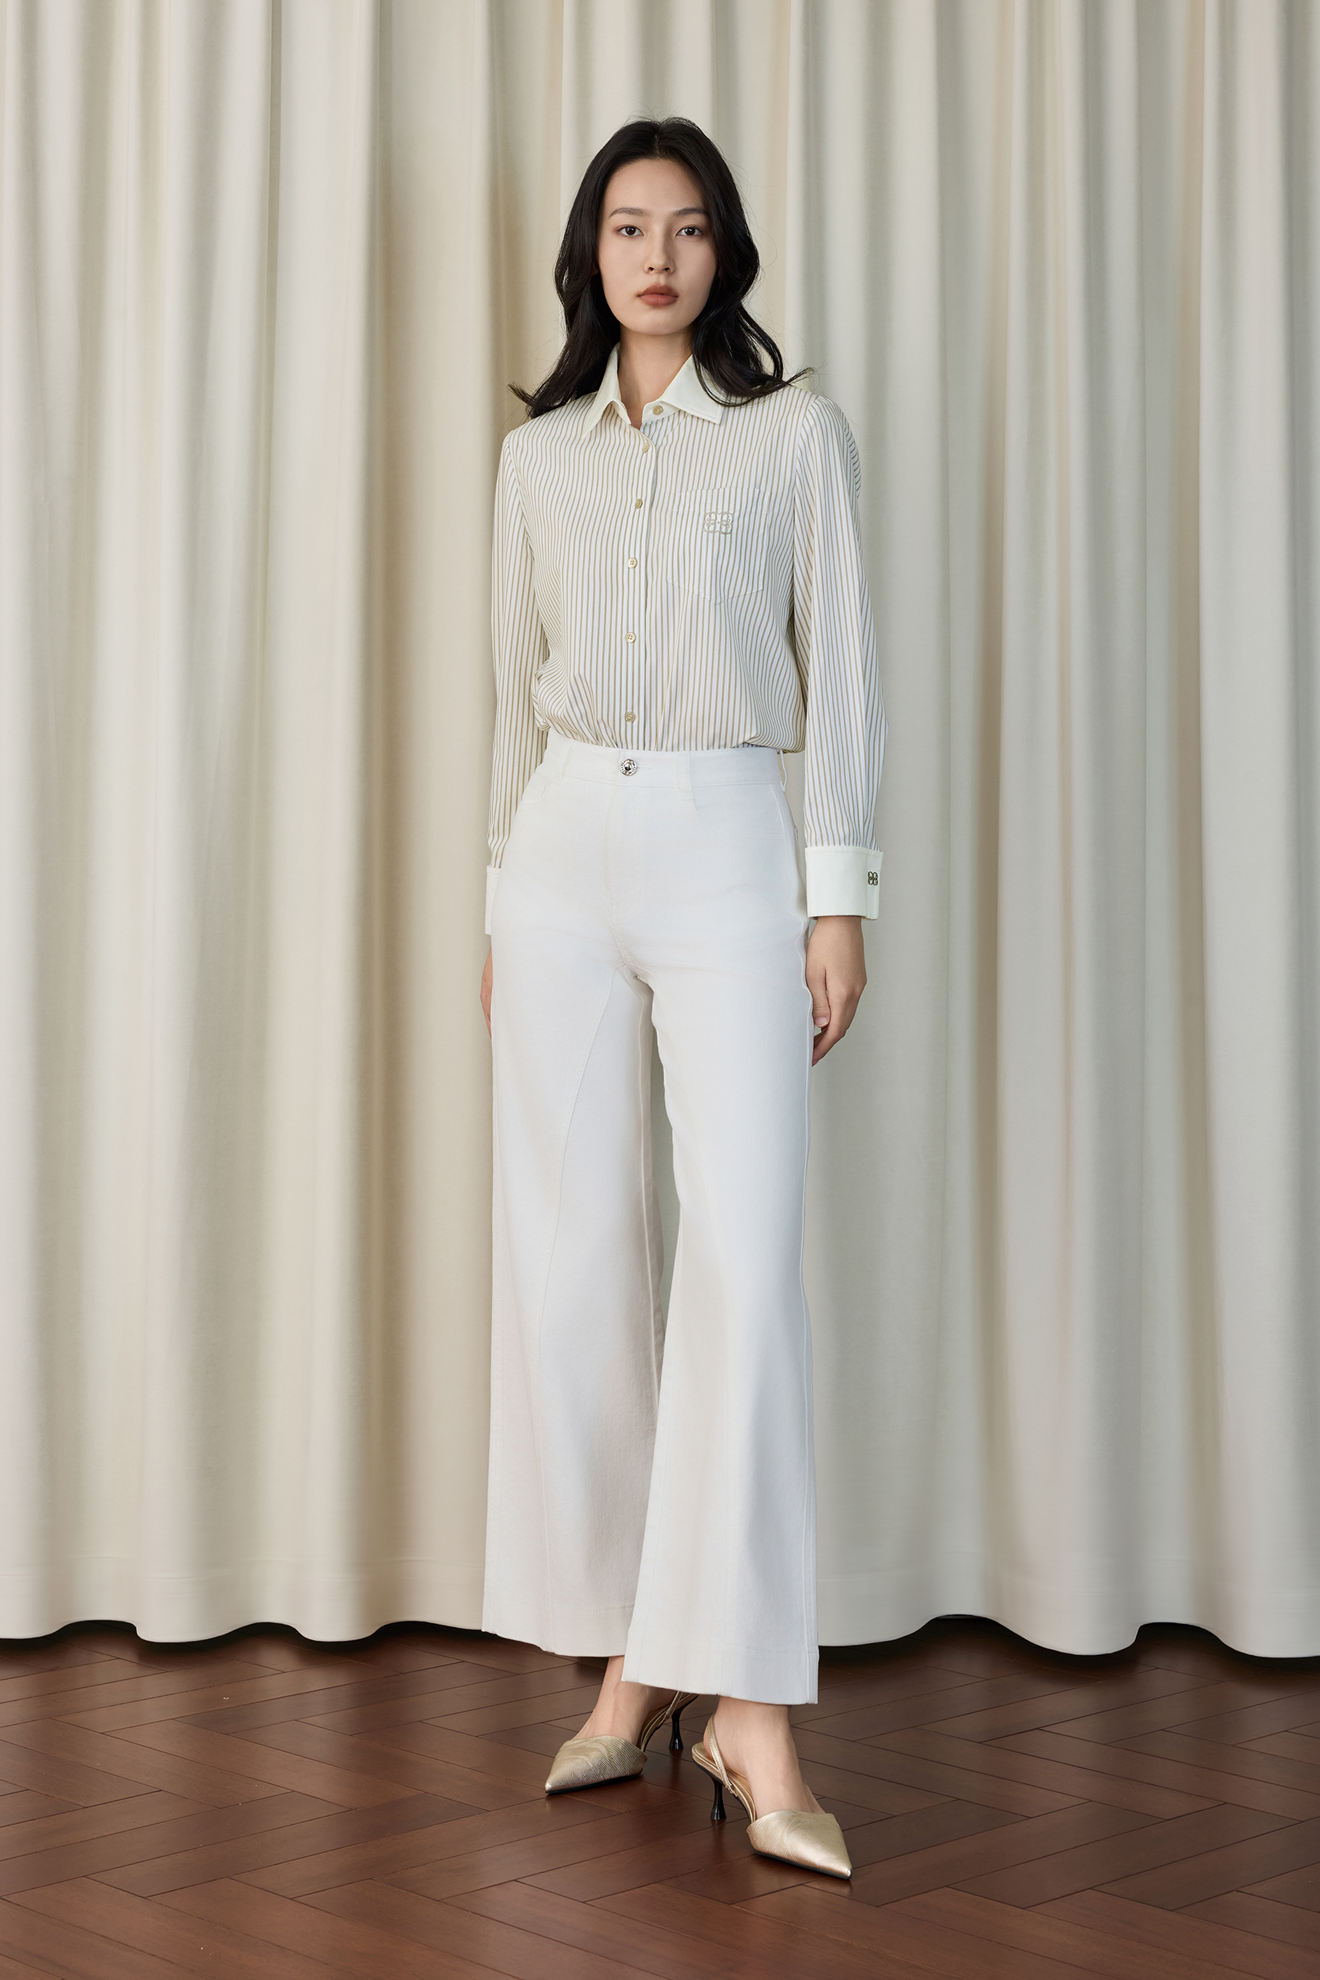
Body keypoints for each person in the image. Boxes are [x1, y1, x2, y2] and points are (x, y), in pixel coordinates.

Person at [477, 116, 887, 1881]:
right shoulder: (538, 462)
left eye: (691, 227)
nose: (659, 257)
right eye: (631, 227)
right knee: (572, 1266)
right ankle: (638, 1665)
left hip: (731, 842)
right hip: (561, 854)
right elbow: (505, 694)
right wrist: (497, 902)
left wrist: (836, 897)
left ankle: (752, 1713)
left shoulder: (795, 438)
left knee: (742, 1263)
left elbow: (842, 672)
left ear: (726, 256)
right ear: (591, 253)